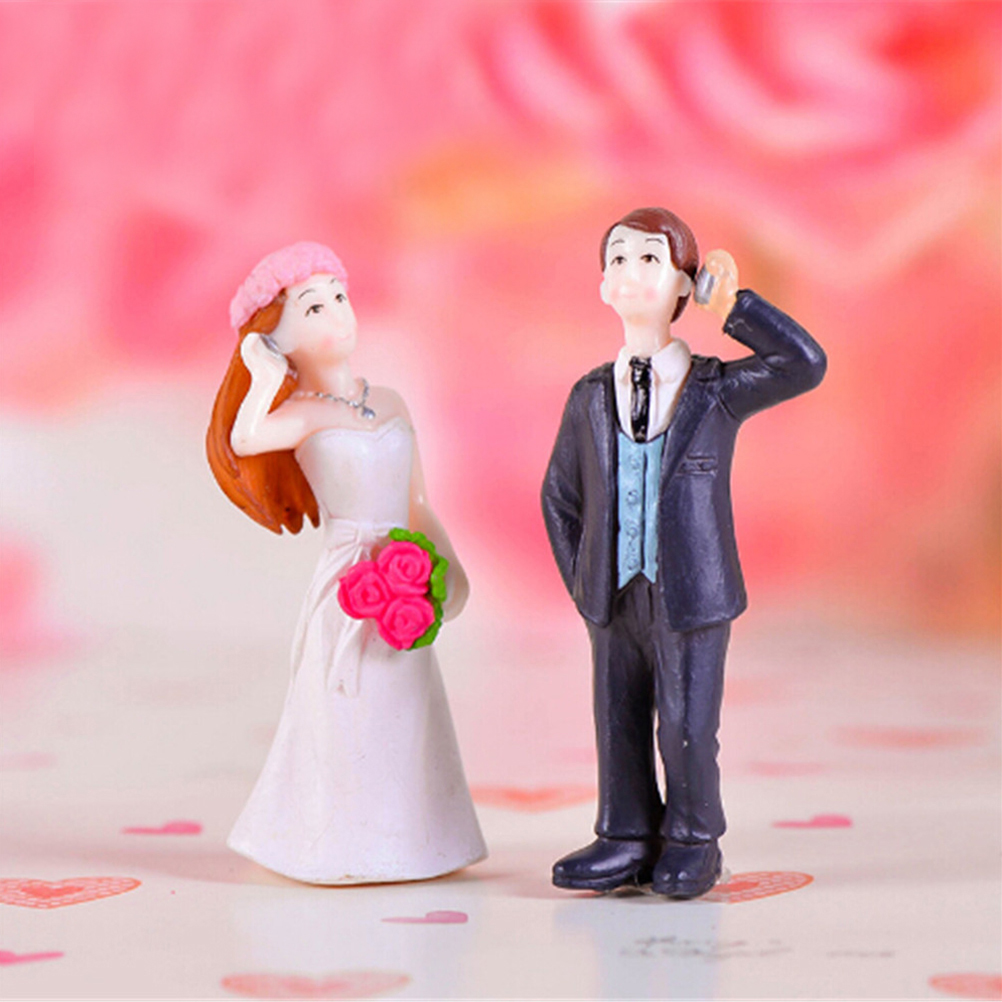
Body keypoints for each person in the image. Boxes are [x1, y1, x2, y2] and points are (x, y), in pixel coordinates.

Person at [541, 208, 826, 898]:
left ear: (683, 285)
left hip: (692, 592)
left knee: (688, 726)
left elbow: (804, 364)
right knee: (617, 719)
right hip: (613, 594)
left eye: (649, 258)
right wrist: (584, 580)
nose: (629, 271)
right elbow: (559, 496)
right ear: (602, 285)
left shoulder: (715, 389)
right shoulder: (588, 396)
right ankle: (625, 833)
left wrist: (734, 308)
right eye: (617, 258)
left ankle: (694, 839)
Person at [206, 242, 486, 884]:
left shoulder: (389, 401)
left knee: (407, 708)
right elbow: (243, 439)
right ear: (276, 337)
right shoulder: (296, 415)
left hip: (407, 575)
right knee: (344, 706)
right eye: (313, 307)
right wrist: (262, 373)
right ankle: (332, 843)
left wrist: (448, 567)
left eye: (339, 296)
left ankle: (415, 838)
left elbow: (418, 502)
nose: (337, 313)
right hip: (348, 587)